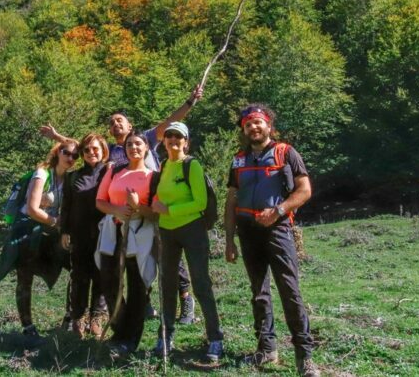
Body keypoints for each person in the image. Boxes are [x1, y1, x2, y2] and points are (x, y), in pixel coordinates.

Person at [40, 84, 204, 324]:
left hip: (152, 207)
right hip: (122, 216)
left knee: (166, 257)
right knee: (134, 261)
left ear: (130, 126)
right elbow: (88, 146)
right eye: (112, 122)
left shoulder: (144, 138)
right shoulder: (112, 152)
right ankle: (142, 305)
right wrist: (58, 138)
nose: (116, 124)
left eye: (120, 121)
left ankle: (186, 301)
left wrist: (190, 102)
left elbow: (170, 122)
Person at [224, 104, 320, 377]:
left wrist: (279, 210)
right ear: (244, 130)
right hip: (247, 232)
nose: (253, 127)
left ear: (268, 125)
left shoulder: (286, 153)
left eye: (258, 122)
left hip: (278, 230)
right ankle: (267, 349)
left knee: (290, 291)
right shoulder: (238, 159)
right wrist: (229, 240)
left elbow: (305, 190)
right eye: (248, 124)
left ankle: (305, 357)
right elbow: (231, 200)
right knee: (258, 291)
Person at [150, 121, 224, 361]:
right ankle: (165, 337)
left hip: (192, 230)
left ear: (186, 142)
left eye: (178, 137)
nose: (173, 140)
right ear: (164, 141)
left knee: (201, 284)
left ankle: (215, 338)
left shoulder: (191, 165)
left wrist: (168, 209)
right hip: (167, 233)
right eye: (169, 136)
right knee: (167, 287)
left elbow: (200, 203)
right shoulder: (162, 166)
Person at [95, 130, 157, 356]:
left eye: (138, 144)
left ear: (147, 148)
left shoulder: (153, 176)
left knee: (138, 286)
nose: (134, 148)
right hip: (113, 231)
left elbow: (156, 214)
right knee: (109, 281)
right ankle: (119, 330)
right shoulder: (114, 171)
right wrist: (118, 209)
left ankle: (130, 339)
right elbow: (100, 201)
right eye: (130, 144)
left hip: (140, 233)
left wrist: (137, 206)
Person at [16, 140, 79, 340]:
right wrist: (57, 222)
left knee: (76, 268)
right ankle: (28, 327)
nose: (71, 158)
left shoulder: (69, 178)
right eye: (67, 153)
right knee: (25, 278)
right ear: (58, 152)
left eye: (75, 156)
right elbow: (33, 209)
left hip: (52, 233)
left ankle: (70, 317)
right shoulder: (42, 174)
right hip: (29, 231)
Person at [59, 133, 110, 338]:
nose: (91, 153)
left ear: (103, 150)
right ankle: (78, 317)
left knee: (101, 275)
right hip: (79, 235)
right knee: (79, 276)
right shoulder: (73, 176)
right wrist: (64, 231)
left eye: (95, 148)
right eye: (87, 150)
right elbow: (67, 206)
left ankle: (97, 317)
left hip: (105, 234)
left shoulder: (111, 172)